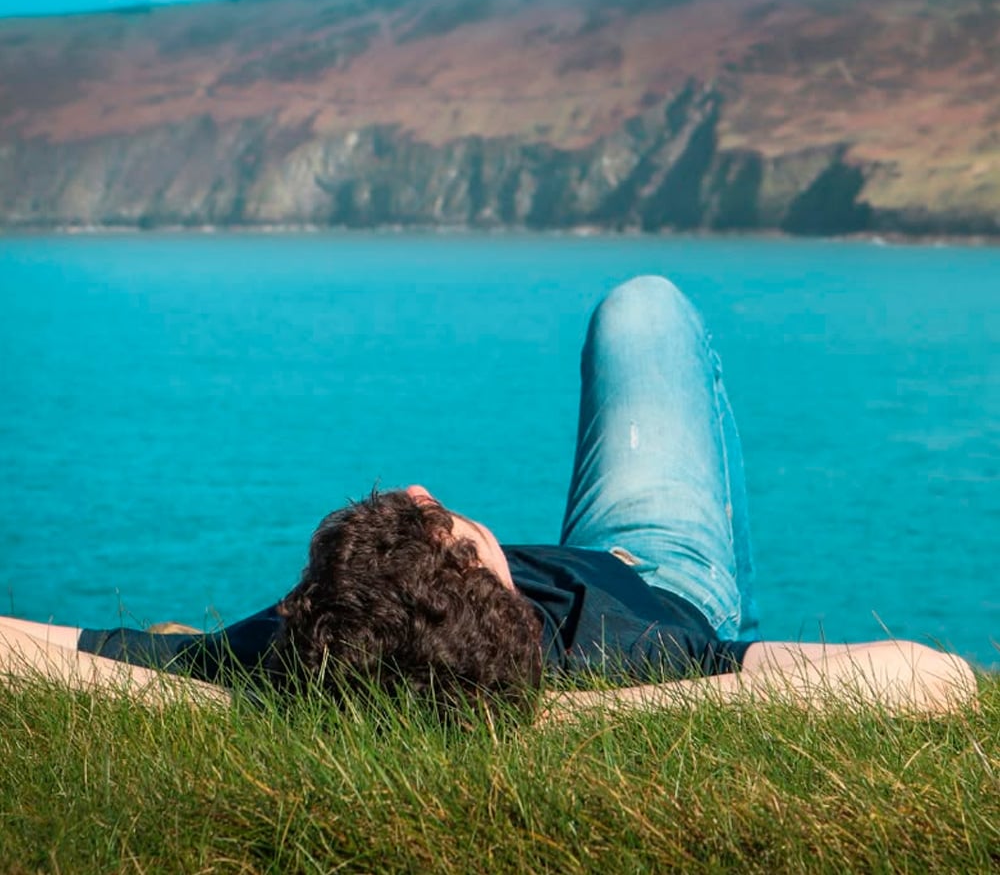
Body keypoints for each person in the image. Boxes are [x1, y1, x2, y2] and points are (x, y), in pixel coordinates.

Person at [0, 277, 977, 718]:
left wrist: (230, 708)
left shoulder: (286, 657)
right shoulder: (636, 656)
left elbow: (24, 649)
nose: (428, 489)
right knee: (645, 308)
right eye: (442, 525)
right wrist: (556, 720)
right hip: (661, 562)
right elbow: (937, 682)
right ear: (486, 579)